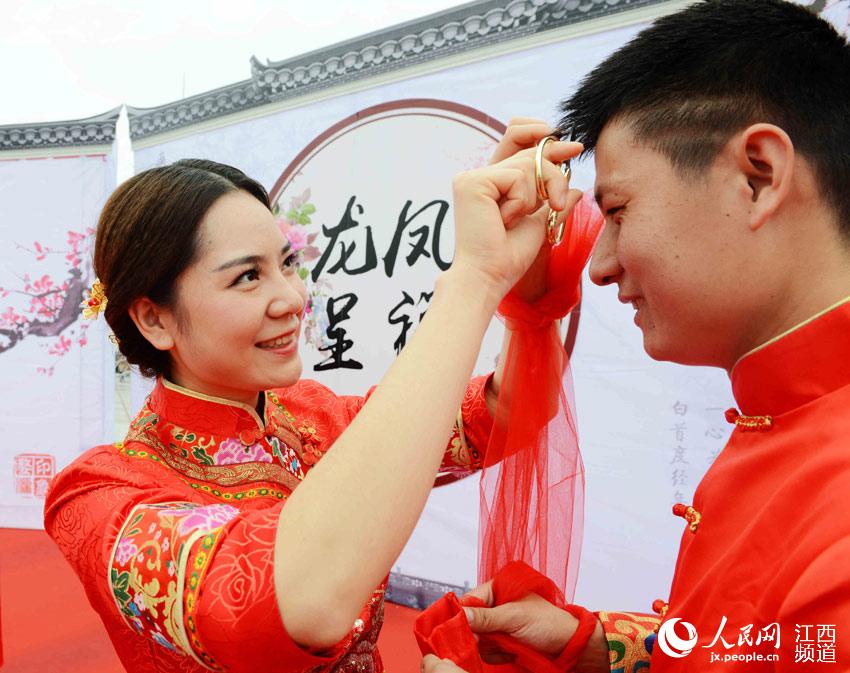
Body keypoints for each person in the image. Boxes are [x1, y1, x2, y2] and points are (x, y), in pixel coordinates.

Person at [44, 127, 585, 673]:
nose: (293, 298)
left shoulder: (311, 415)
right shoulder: (99, 496)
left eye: (287, 264)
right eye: (248, 277)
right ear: (154, 319)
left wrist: (530, 298)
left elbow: (505, 414)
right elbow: (297, 602)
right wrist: (472, 280)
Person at [421, 0, 850, 671]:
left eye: (617, 210)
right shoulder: (780, 413)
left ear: (758, 175)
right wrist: (595, 645)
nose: (600, 264)